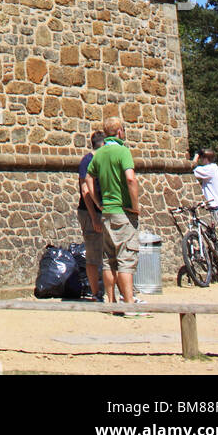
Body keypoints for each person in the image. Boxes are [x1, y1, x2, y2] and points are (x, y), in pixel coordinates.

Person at [86, 115, 143, 314]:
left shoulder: (98, 154)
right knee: (126, 259)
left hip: (107, 212)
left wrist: (97, 203)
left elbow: (88, 179)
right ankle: (129, 305)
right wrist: (135, 206)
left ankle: (110, 303)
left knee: (108, 259)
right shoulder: (123, 151)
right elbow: (130, 179)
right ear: (120, 132)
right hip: (122, 212)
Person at [77, 131, 105, 300]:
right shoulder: (87, 161)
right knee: (94, 254)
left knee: (108, 255)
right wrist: (94, 216)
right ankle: (96, 293)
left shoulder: (101, 159)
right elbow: (85, 190)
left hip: (103, 211)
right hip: (89, 213)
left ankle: (110, 292)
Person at [192, 148, 218, 230]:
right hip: (217, 207)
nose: (201, 160)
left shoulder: (210, 169)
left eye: (202, 158)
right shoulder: (216, 168)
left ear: (206, 158)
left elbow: (191, 168)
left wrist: (196, 155)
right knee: (216, 236)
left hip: (214, 208)